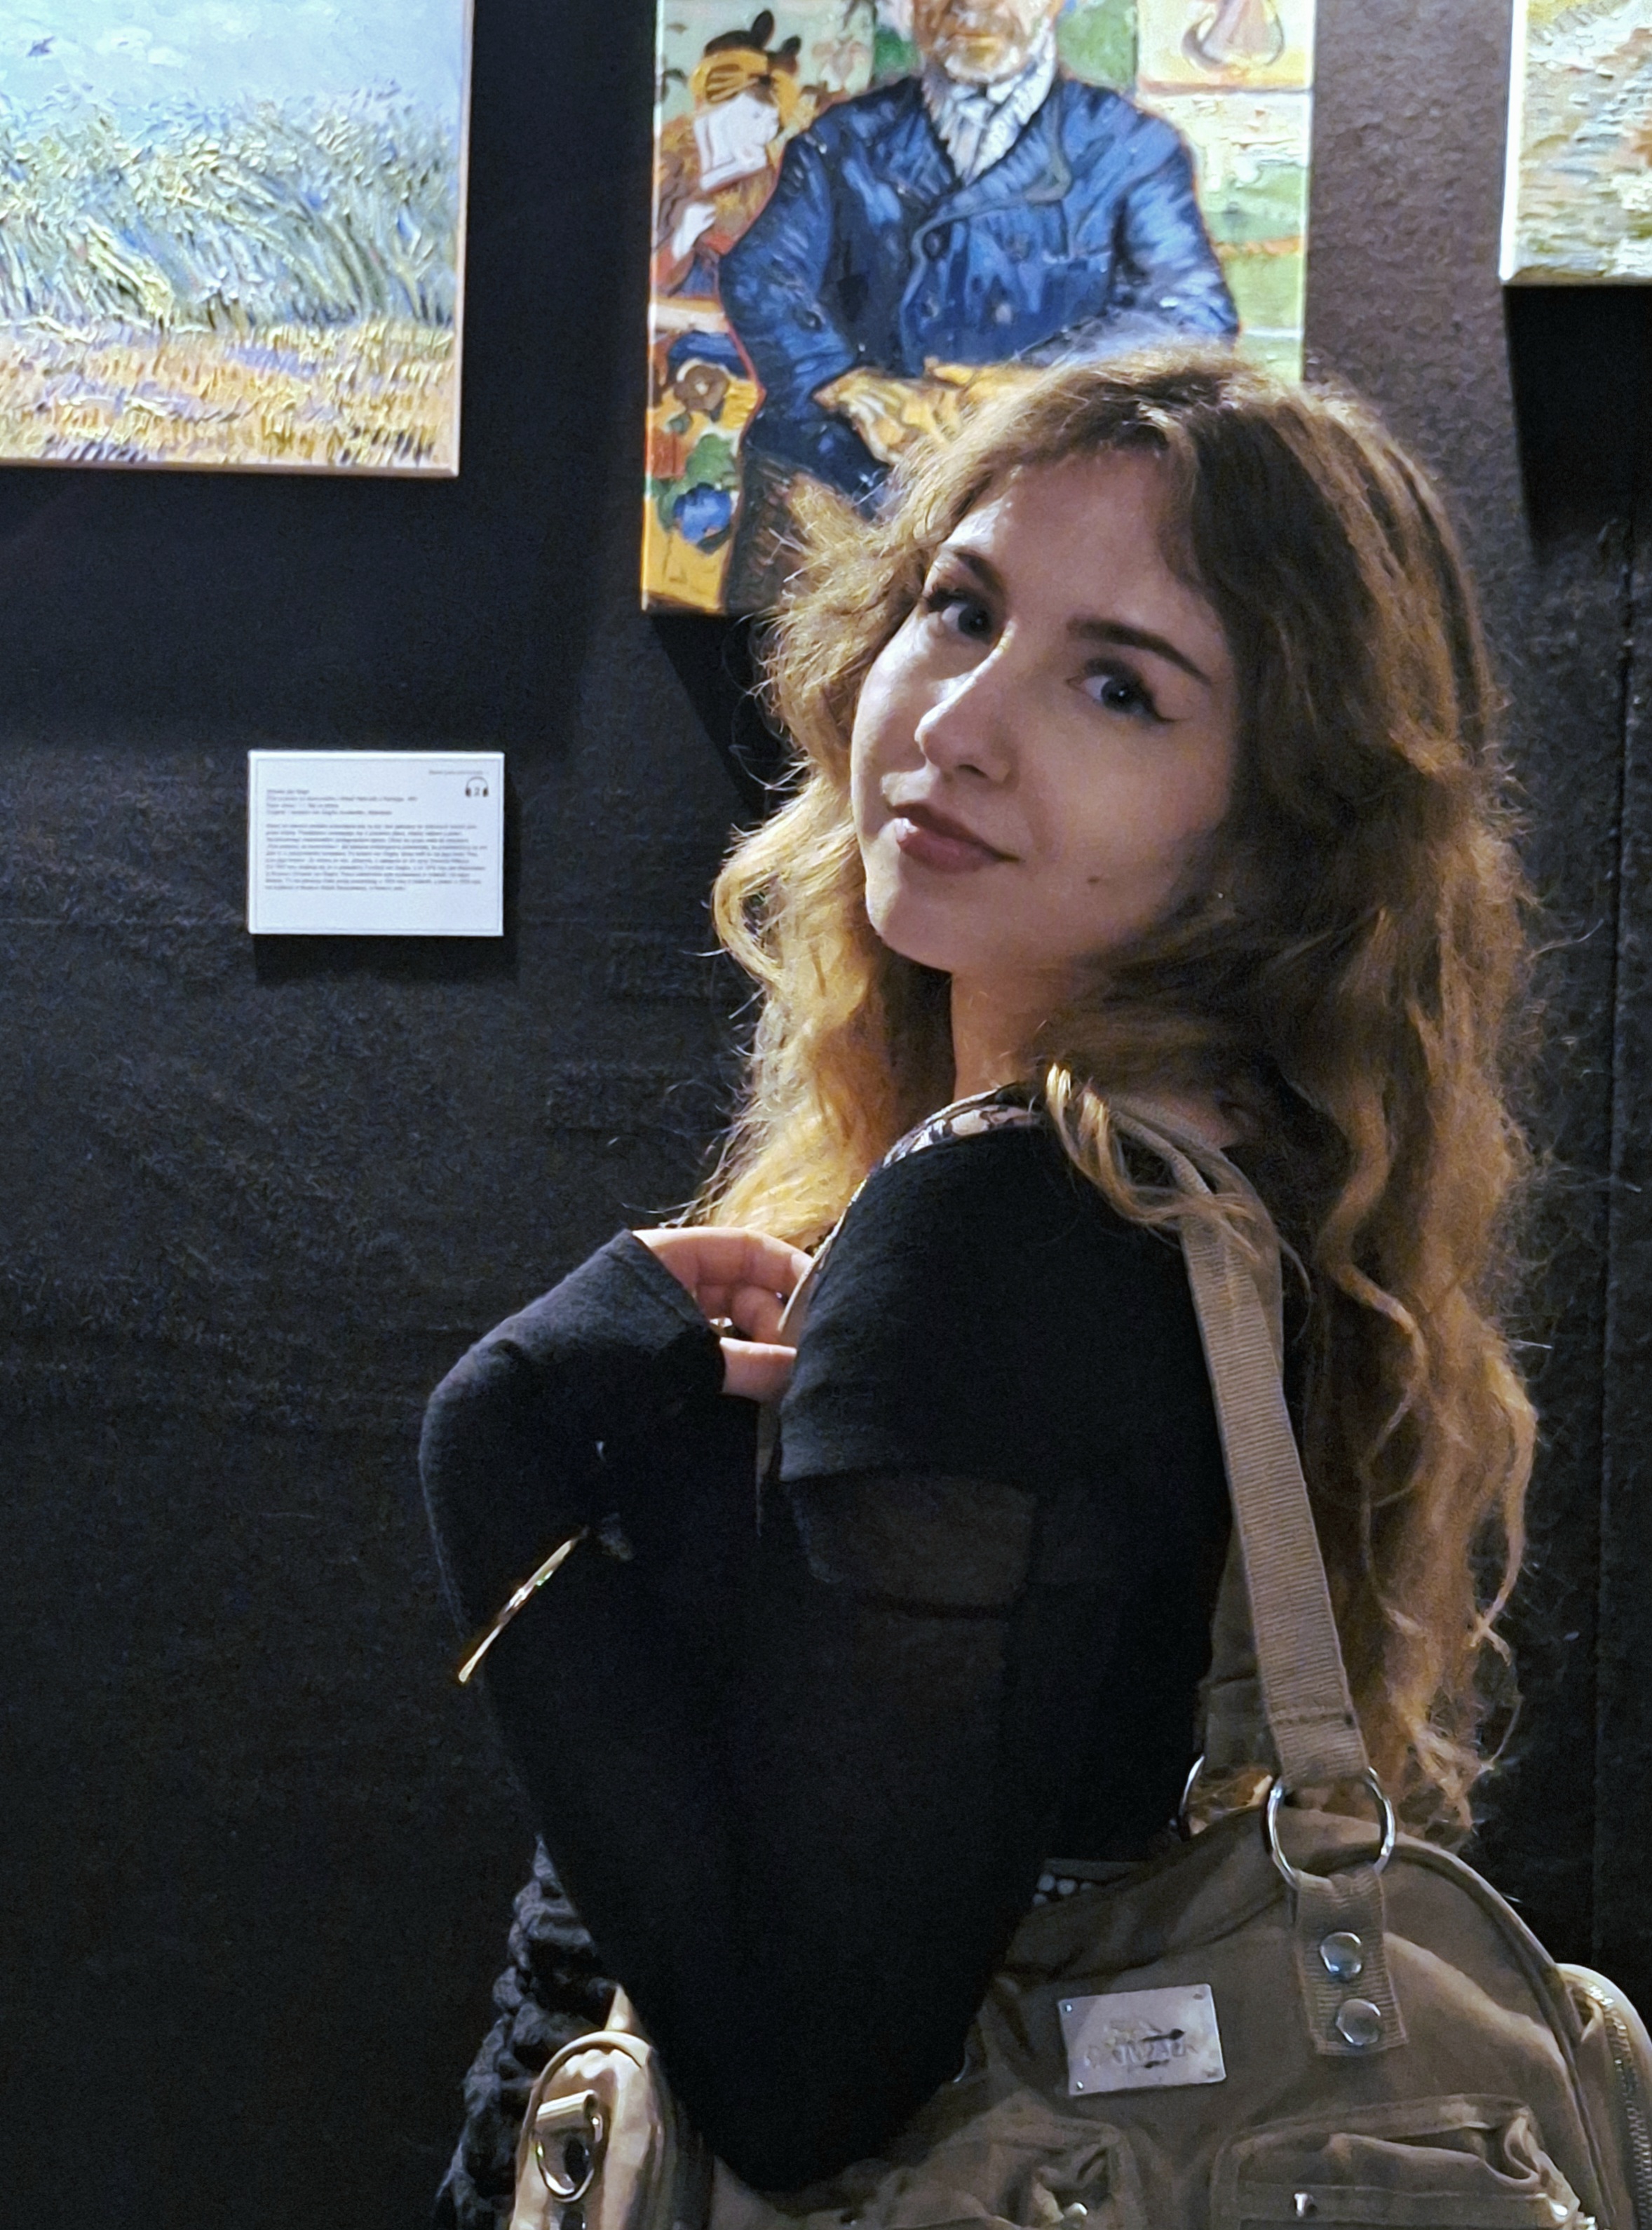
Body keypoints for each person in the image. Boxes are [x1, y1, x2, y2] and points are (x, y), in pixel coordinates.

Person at [422, 351, 1536, 2224]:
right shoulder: (1211, 1189)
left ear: (1283, 817)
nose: (958, 722)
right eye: (958, 608)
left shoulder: (1006, 1224)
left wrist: (497, 1454)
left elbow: (796, 2080)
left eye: (1118, 685)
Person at [717, 0, 1238, 521]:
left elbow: (1193, 311)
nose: (969, 5)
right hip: (843, 483)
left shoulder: (1133, 148)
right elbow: (759, 271)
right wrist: (845, 380)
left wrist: (1043, 384)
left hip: (1039, 488)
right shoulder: (841, 140)